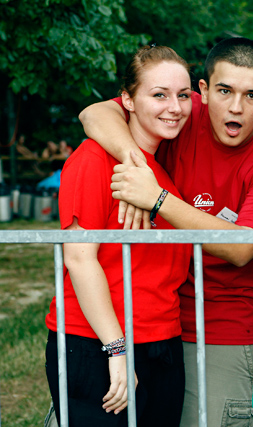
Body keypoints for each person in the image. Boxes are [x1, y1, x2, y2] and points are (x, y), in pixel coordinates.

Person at [79, 37, 253, 426]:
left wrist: (156, 197)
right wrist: (137, 166)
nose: (235, 107)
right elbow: (94, 114)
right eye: (225, 91)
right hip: (151, 309)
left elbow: (243, 247)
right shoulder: (179, 110)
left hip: (220, 320)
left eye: (252, 96)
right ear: (204, 91)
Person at [44, 45, 192, 426]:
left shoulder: (163, 177)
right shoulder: (93, 159)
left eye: (183, 95)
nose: (174, 107)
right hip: (97, 344)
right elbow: (79, 257)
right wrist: (116, 349)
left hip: (161, 345)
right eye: (159, 95)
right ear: (126, 99)